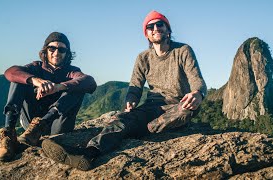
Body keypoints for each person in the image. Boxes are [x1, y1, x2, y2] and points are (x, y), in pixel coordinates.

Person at [41, 11, 207, 171]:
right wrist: (131, 100)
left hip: (178, 105)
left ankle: (143, 129)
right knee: (120, 119)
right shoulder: (143, 57)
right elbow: (135, 85)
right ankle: (89, 153)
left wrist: (198, 93)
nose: (156, 29)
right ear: (146, 34)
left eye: (160, 24)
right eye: (151, 27)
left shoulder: (183, 50)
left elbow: (196, 79)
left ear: (168, 29)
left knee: (187, 109)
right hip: (152, 107)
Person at [0, 32, 97, 162]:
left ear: (67, 53)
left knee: (78, 87)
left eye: (62, 49)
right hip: (30, 126)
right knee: (18, 79)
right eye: (52, 48)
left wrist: (58, 87)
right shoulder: (36, 67)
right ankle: (9, 135)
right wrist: (34, 80)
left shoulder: (72, 71)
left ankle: (42, 125)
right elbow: (10, 72)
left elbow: (90, 82)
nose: (56, 52)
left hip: (58, 125)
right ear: (45, 50)